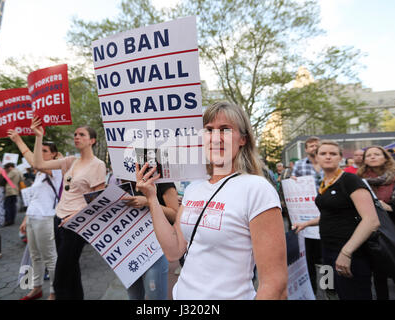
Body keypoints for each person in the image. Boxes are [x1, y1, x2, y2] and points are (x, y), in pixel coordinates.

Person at [135, 101, 287, 299]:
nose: (215, 137)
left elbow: (275, 284)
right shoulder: (194, 188)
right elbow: (174, 251)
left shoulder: (257, 189)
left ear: (243, 139)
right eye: (209, 130)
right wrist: (152, 198)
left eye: (225, 129)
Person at [293, 140, 380, 300]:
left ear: (340, 158)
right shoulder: (323, 183)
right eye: (323, 153)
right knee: (332, 292)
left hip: (351, 253)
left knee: (354, 295)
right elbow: (330, 214)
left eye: (333, 154)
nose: (328, 157)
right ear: (316, 158)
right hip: (327, 250)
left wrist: (346, 253)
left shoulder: (350, 180)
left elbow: (371, 221)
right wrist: (306, 223)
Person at [31, 116, 106, 300]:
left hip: (77, 225)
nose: (76, 137)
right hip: (59, 220)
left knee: (60, 279)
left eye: (82, 134)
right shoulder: (70, 161)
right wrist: (38, 136)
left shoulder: (98, 165)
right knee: (71, 271)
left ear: (92, 140)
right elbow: (38, 164)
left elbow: (98, 202)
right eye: (75, 134)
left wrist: (76, 216)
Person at [8, 129, 62, 300]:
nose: (40, 153)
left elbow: (36, 162)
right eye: (41, 150)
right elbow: (34, 198)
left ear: (54, 154)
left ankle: (54, 292)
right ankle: (36, 288)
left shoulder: (57, 169)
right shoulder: (39, 173)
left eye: (45, 151)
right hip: (32, 218)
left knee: (50, 258)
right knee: (35, 256)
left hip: (46, 218)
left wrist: (19, 141)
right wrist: (25, 218)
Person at [122, 180, 179, 300]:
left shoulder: (163, 181)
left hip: (154, 249)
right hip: (128, 250)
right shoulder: (123, 181)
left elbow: (175, 214)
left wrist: (148, 202)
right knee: (133, 296)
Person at [357, 145, 395, 300]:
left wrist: (390, 207)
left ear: (385, 157)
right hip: (373, 231)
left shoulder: (393, 176)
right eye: (369, 155)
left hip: (392, 226)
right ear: (364, 160)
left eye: (377, 154)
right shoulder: (359, 180)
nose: (372, 157)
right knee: (379, 274)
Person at [291, 136, 324, 295]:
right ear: (306, 149)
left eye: (316, 145)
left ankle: (328, 289)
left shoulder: (327, 163)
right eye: (311, 146)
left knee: (326, 258)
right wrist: (292, 182)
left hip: (327, 215)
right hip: (307, 218)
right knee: (309, 256)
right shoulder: (299, 165)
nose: (314, 148)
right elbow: (292, 185)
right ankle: (313, 291)